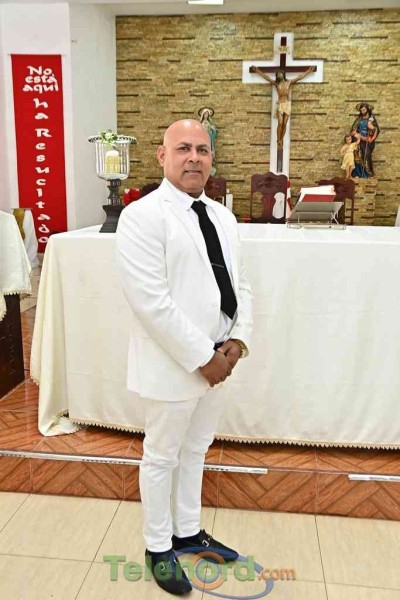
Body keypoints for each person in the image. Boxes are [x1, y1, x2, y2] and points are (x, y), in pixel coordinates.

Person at [115, 119, 253, 596]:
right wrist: (203, 357)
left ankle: (188, 531)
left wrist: (238, 342)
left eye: (202, 150)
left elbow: (240, 285)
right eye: (183, 149)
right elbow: (150, 301)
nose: (194, 157)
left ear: (211, 158)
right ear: (162, 156)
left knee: (196, 449)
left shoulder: (222, 216)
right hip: (173, 363)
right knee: (162, 455)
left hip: (220, 360)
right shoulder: (142, 216)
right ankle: (158, 547)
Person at [250, 66, 315, 147]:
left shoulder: (289, 82)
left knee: (284, 123)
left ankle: (281, 139)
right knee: (280, 122)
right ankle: (278, 139)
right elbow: (266, 77)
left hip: (287, 104)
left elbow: (300, 77)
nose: (278, 75)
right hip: (280, 104)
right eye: (277, 74)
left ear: (283, 74)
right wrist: (258, 71)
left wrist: (308, 71)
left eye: (280, 73)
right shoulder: (276, 84)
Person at [350, 102, 380, 177]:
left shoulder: (371, 119)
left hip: (367, 141)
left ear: (367, 110)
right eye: (361, 110)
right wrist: (356, 135)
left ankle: (369, 173)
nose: (362, 112)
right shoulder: (359, 119)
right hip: (359, 140)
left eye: (364, 110)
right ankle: (359, 173)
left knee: (367, 155)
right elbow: (353, 130)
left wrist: (370, 134)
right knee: (358, 156)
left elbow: (377, 129)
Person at [198, 107, 218, 174]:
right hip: (202, 139)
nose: (206, 115)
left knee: (209, 151)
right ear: (203, 115)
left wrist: (211, 129)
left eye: (207, 114)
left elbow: (215, 131)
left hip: (209, 139)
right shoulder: (200, 123)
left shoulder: (210, 123)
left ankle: (210, 166)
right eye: (205, 114)